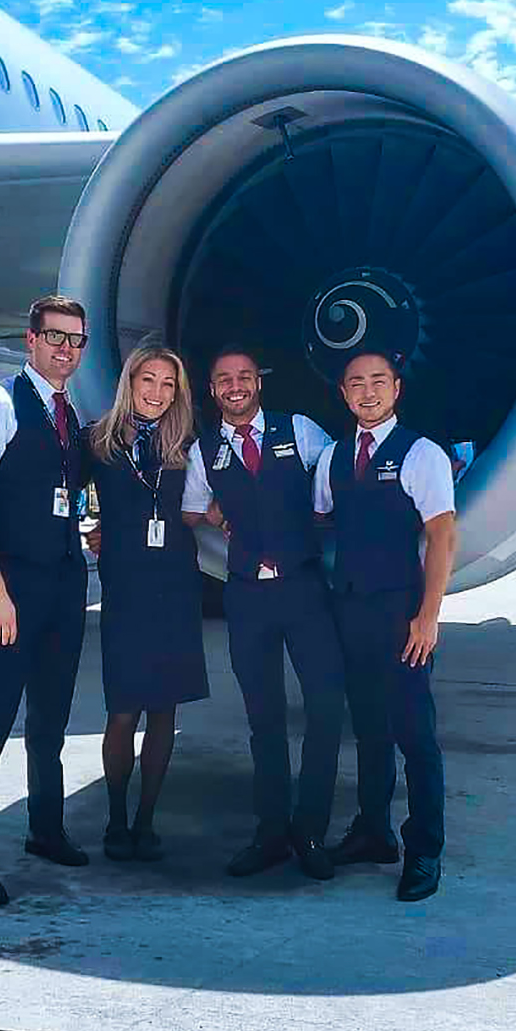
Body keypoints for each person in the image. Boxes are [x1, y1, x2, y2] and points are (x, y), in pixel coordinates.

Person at [182, 347, 346, 881]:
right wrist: (214, 511)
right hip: (248, 596)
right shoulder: (206, 450)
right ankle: (271, 831)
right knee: (264, 719)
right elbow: (188, 509)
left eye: (244, 377)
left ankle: (312, 830)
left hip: (304, 590)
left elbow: (337, 479)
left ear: (258, 382)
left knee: (324, 709)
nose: (235, 386)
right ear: (213, 390)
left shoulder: (299, 430)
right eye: (224, 379)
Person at [0, 295, 92, 907]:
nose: (67, 349)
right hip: (14, 589)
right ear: (30, 339)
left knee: (51, 719)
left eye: (76, 340)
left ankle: (45, 827)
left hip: (65, 585)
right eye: (56, 337)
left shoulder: (70, 412)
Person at [314, 350, 457, 902]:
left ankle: (424, 848)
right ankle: (373, 831)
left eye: (378, 382)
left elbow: (442, 536)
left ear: (396, 389)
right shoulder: (332, 458)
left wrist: (428, 616)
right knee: (369, 729)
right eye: (355, 384)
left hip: (401, 613)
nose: (367, 392)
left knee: (414, 735)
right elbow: (319, 514)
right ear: (344, 394)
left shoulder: (422, 455)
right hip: (349, 611)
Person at [83, 346, 209, 862]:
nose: (157, 393)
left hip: (176, 586)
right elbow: (54, 488)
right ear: (129, 382)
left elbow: (207, 504)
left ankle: (146, 820)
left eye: (168, 384)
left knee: (164, 711)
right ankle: (116, 818)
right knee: (122, 711)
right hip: (127, 589)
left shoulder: (189, 444)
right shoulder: (99, 441)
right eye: (148, 380)